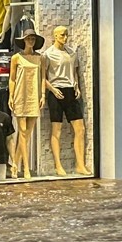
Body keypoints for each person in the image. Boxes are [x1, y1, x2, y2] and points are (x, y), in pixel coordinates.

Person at [42, 25, 89, 175]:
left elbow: (74, 72)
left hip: (70, 90)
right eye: (62, 35)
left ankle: (80, 164)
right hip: (55, 91)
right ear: (55, 36)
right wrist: (52, 89)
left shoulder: (71, 53)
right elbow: (42, 77)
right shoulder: (48, 54)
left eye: (66, 35)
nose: (65, 38)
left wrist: (77, 86)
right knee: (57, 129)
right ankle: (58, 165)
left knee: (80, 128)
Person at [8, 28, 45, 179]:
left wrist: (43, 95)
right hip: (20, 95)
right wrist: (10, 96)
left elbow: (43, 77)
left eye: (33, 39)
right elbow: (12, 78)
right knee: (22, 132)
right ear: (23, 40)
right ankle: (26, 168)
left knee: (27, 134)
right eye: (28, 38)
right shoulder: (16, 58)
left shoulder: (40, 58)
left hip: (34, 96)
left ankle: (15, 165)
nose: (31, 41)